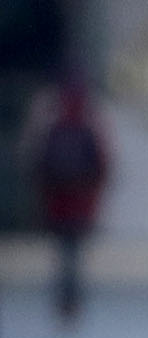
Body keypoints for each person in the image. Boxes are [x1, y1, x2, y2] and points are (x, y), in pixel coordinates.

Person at [22, 78, 107, 325]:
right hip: (81, 201)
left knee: (62, 253)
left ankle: (63, 298)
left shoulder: (51, 127)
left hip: (57, 202)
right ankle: (73, 299)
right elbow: (102, 166)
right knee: (74, 254)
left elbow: (36, 165)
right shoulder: (88, 126)